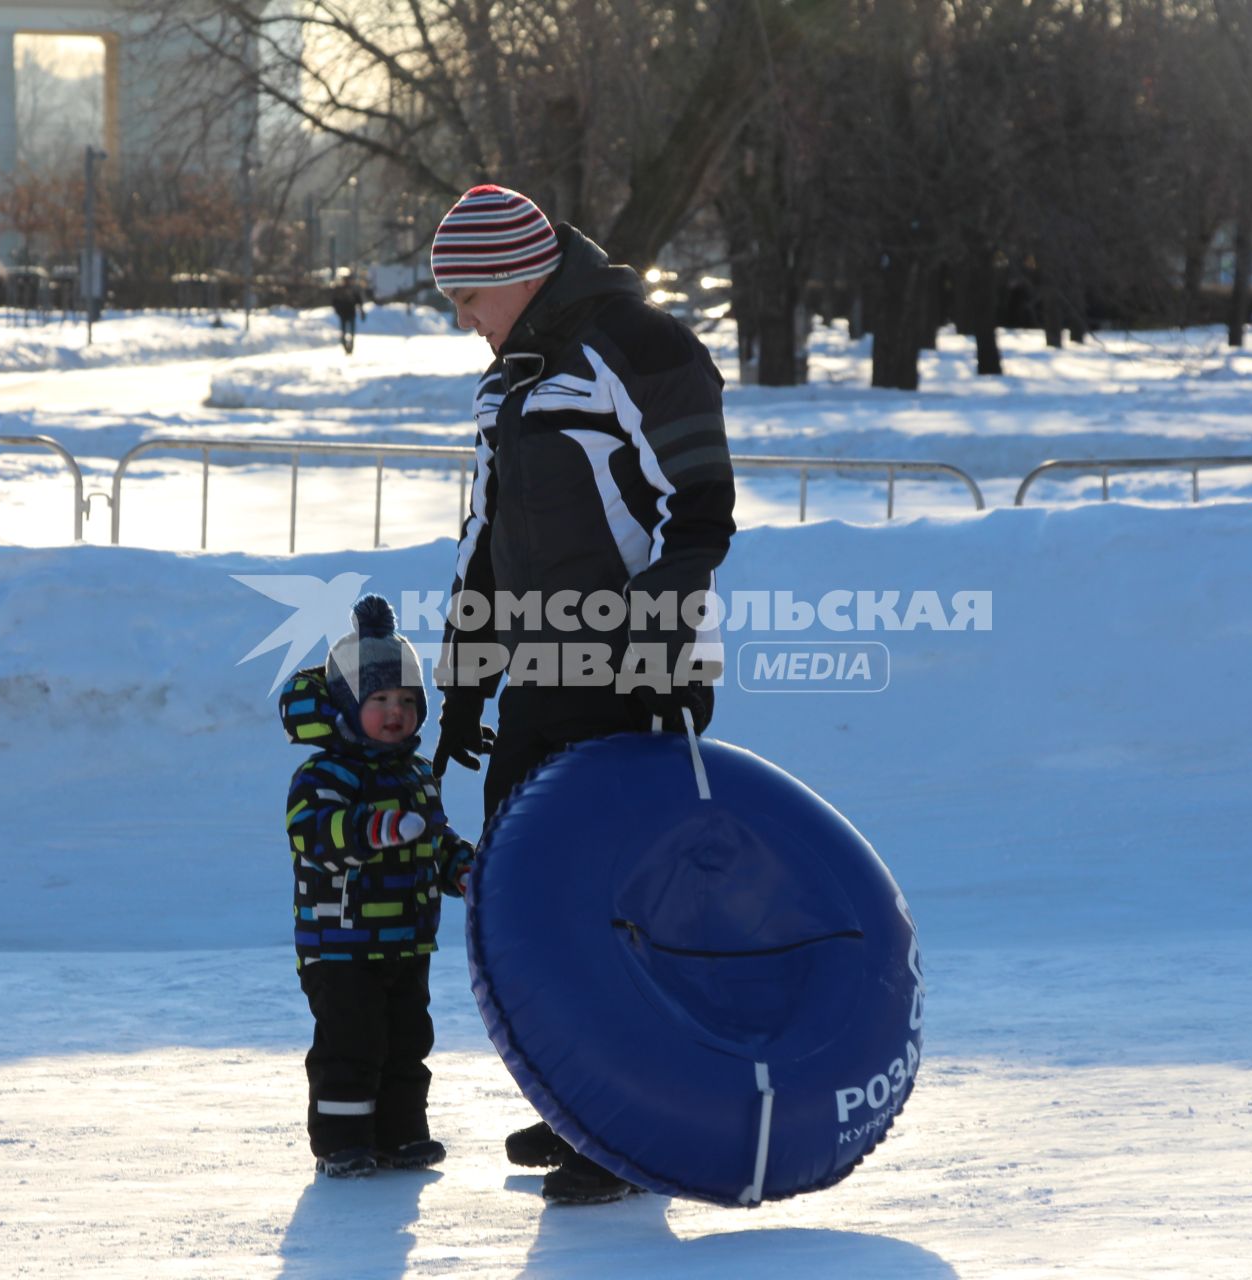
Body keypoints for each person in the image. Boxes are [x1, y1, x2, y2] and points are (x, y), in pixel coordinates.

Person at [427, 184, 736, 1204]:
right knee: (530, 885)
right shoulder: (510, 382)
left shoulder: (636, 345)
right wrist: (468, 677)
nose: (463, 319)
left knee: (617, 896)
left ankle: (631, 1120)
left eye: (469, 297)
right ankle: (581, 1095)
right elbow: (488, 544)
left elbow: (699, 514)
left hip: (635, 666)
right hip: (547, 672)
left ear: (519, 276)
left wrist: (652, 639)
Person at [278, 594, 474, 1179]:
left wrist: (463, 867)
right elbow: (315, 833)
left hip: (407, 942)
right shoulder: (324, 774)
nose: (396, 713)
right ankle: (341, 1140)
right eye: (380, 700)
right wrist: (376, 829)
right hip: (340, 944)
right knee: (352, 1043)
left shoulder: (414, 773)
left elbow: (434, 839)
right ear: (345, 705)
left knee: (408, 1040)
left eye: (407, 701)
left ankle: (401, 1134)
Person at [330, 271, 365, 353]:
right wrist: (337, 310)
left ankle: (351, 347)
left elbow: (358, 301)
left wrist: (361, 311)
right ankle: (346, 347)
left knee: (351, 332)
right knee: (344, 332)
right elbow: (334, 301)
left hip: (351, 313)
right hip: (343, 314)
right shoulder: (339, 290)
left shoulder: (353, 289)